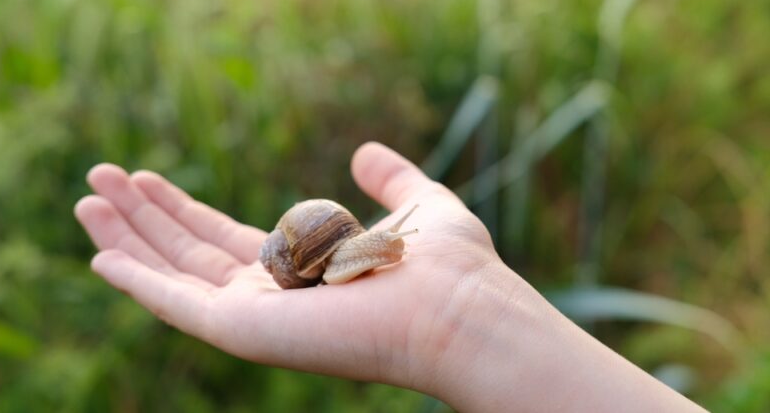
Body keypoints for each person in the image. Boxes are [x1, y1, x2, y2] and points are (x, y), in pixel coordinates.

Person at [74, 141, 706, 412]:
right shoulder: (319, 253)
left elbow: (378, 247)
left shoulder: (363, 248)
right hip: (307, 257)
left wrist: (458, 318)